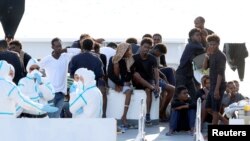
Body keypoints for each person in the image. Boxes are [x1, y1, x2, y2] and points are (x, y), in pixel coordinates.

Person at [39, 37, 81, 118]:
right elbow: (36, 68)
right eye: (56, 46)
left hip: (61, 94)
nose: (59, 48)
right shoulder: (47, 59)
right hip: (51, 93)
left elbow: (79, 51)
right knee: (52, 117)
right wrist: (41, 82)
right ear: (52, 47)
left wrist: (66, 50)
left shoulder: (65, 56)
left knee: (56, 117)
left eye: (60, 46)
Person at [69, 38, 107, 117]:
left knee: (77, 111)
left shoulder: (75, 58)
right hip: (91, 89)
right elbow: (100, 75)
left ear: (82, 46)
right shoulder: (97, 59)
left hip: (78, 88)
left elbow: (71, 74)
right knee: (91, 113)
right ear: (92, 46)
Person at [130, 37, 159, 125]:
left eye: (148, 48)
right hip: (137, 81)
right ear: (141, 46)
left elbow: (156, 72)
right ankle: (153, 88)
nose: (146, 49)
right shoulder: (134, 57)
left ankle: (148, 115)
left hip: (148, 81)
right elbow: (130, 71)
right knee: (136, 74)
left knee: (148, 91)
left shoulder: (152, 58)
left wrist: (157, 84)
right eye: (145, 47)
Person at [107, 43, 134, 126]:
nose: (129, 52)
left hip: (122, 82)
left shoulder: (129, 60)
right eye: (128, 50)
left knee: (129, 92)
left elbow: (129, 75)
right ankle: (117, 85)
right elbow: (110, 74)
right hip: (113, 81)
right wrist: (119, 83)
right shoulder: (113, 59)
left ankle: (124, 116)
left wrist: (123, 83)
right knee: (116, 64)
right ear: (123, 50)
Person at [175, 28, 205, 101]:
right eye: (197, 35)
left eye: (200, 35)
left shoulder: (195, 46)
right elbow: (202, 51)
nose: (199, 37)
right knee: (178, 97)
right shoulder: (192, 45)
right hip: (182, 75)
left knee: (194, 96)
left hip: (189, 76)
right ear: (191, 37)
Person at [203, 34, 227, 125]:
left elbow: (221, 74)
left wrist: (217, 89)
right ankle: (226, 122)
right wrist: (206, 56)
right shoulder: (211, 54)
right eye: (210, 44)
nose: (212, 46)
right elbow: (204, 68)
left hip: (219, 85)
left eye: (214, 44)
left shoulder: (221, 56)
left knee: (215, 110)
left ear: (218, 44)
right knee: (208, 108)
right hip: (212, 85)